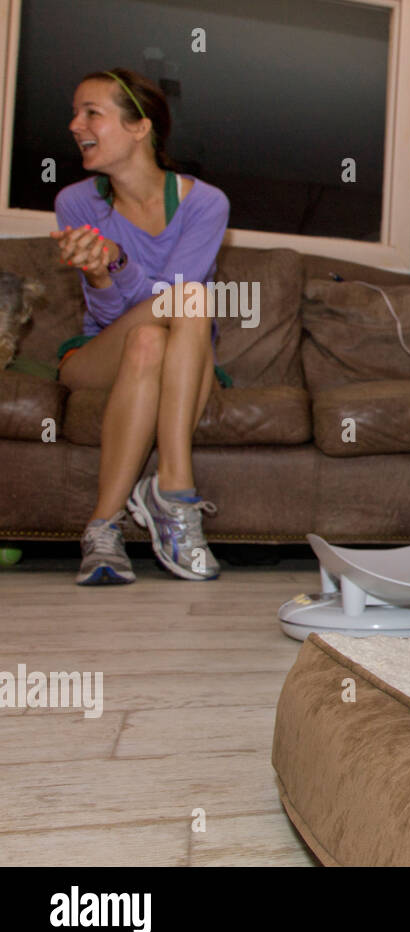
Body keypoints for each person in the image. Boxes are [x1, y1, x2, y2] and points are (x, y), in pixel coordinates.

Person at [53, 68, 230, 585]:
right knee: (184, 304)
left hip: (179, 353)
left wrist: (118, 263)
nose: (74, 124)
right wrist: (100, 272)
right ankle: (174, 492)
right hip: (95, 353)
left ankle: (102, 528)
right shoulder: (76, 202)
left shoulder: (205, 204)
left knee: (159, 332)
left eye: (92, 113)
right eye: (75, 112)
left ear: (139, 128)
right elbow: (117, 316)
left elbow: (167, 306)